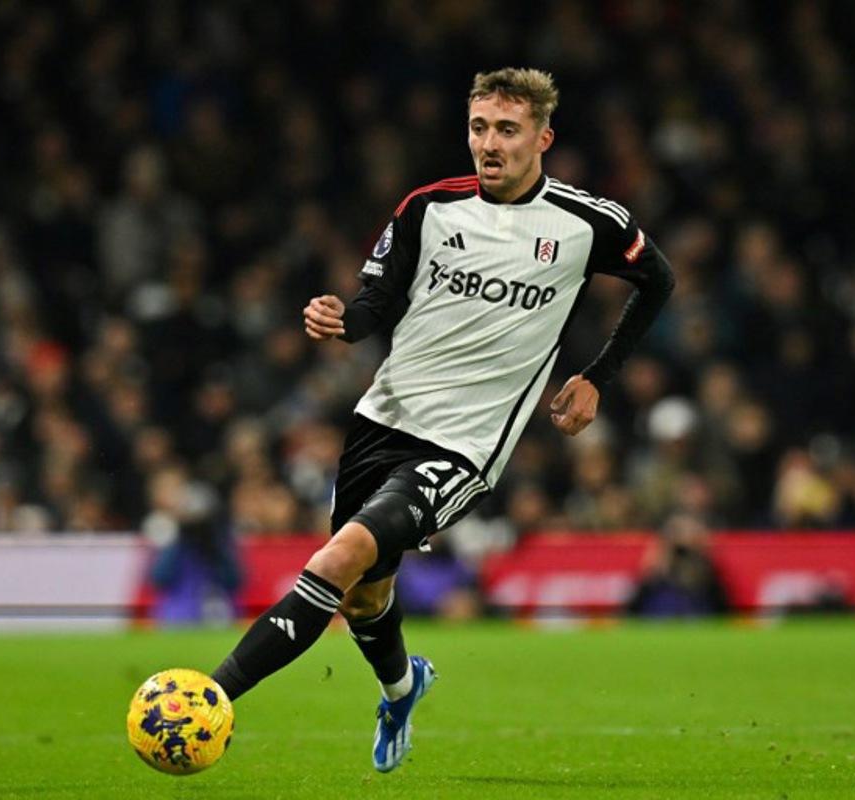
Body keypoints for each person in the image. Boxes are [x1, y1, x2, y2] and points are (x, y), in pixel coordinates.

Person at [207, 68, 674, 773]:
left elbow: (657, 281)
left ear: (543, 138)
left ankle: (206, 699)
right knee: (367, 595)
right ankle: (402, 689)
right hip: (381, 420)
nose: (490, 143)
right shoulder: (429, 208)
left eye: (508, 130)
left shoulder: (588, 223)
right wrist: (340, 320)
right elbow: (375, 304)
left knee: (339, 559)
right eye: (480, 128)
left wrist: (596, 379)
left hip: (464, 446)